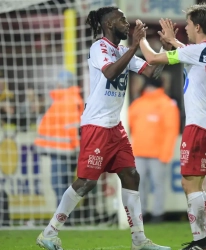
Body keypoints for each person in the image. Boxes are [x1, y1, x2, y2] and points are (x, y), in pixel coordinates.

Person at [36, 6, 172, 250]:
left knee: (131, 174)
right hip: (96, 125)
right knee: (87, 182)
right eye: (121, 19)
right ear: (109, 24)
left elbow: (152, 71)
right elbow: (110, 73)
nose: (126, 22)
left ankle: (139, 240)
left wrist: (166, 48)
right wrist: (134, 45)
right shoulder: (99, 47)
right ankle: (49, 233)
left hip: (115, 127)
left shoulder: (121, 50)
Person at [138, 3, 206, 250]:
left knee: (190, 183)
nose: (185, 29)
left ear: (197, 26)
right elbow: (192, 53)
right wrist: (174, 42)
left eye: (187, 25)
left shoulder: (195, 51)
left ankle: (201, 242)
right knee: (197, 183)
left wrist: (141, 40)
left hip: (198, 125)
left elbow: (153, 58)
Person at [128, 76, 180, 223]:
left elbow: (171, 131)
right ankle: (144, 213)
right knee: (144, 184)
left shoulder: (164, 104)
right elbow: (128, 124)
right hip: (140, 152)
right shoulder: (141, 103)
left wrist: (165, 153)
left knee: (154, 184)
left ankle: (157, 213)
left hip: (155, 153)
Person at [35, 70, 82, 207]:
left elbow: (72, 127)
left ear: (62, 83)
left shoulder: (67, 101)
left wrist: (77, 150)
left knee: (59, 186)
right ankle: (65, 218)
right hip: (63, 151)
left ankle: (63, 218)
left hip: (63, 152)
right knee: (63, 186)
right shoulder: (67, 99)